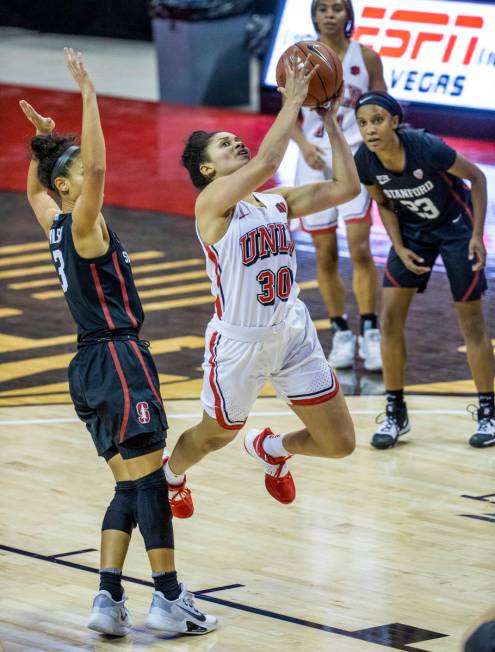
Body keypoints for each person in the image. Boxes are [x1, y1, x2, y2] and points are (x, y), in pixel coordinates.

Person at [20, 48, 217, 637]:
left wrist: (44, 145)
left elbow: (34, 191)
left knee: (129, 484)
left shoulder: (52, 220)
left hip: (87, 367)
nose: (94, 176)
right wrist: (88, 95)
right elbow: (97, 175)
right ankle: (169, 596)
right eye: (77, 172)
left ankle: (107, 597)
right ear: (68, 186)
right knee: (151, 480)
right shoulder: (83, 223)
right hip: (117, 355)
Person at [162, 54, 358, 519]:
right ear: (207, 171)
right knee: (214, 436)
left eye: (235, 139)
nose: (236, 143)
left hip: (291, 331)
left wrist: (328, 120)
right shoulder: (210, 205)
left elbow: (346, 187)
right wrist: (293, 98)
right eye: (224, 145)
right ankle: (169, 476)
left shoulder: (274, 202)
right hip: (240, 341)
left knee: (340, 444)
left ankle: (273, 448)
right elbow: (271, 157)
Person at [353, 90, 494, 449]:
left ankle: (489, 411)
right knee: (389, 321)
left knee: (471, 322)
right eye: (363, 123)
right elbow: (382, 203)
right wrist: (398, 246)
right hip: (413, 234)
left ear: (395, 122)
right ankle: (395, 411)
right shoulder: (364, 160)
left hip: (456, 229)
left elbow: (477, 177)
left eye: (377, 120)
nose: (370, 129)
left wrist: (478, 234)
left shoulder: (426, 147)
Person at [291, 0, 387, 371]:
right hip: (313, 159)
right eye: (323, 8)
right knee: (325, 253)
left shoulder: (368, 58)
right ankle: (340, 332)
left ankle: (370, 330)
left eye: (337, 8)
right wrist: (302, 146)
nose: (330, 14)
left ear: (349, 15)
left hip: (354, 156)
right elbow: (285, 112)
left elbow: (382, 107)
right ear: (313, 15)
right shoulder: (298, 58)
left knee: (361, 249)